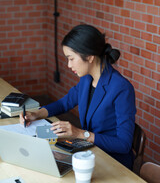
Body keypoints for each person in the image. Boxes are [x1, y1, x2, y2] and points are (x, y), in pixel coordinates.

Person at [20, 24, 136, 170]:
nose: (68, 65)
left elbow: (124, 144)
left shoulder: (121, 88)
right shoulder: (87, 79)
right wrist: (36, 114)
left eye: (71, 58)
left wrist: (80, 133)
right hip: (90, 152)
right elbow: (64, 103)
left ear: (89, 57)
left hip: (113, 163)